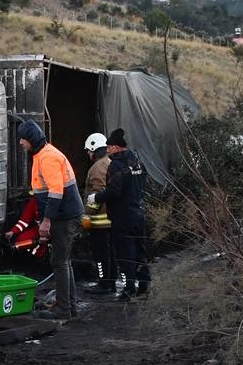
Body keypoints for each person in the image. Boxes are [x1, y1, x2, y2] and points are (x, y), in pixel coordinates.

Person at [17, 119, 84, 321]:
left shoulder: (47, 158)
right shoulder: (42, 155)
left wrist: (47, 221)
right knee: (64, 261)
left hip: (64, 217)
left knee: (60, 262)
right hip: (64, 215)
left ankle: (64, 310)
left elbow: (56, 192)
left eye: (23, 138)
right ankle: (68, 306)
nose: (20, 142)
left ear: (31, 139)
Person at [91, 127, 149, 301]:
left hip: (122, 217)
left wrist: (97, 197)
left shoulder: (116, 165)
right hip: (139, 212)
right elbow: (143, 182)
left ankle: (128, 289)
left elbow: (114, 190)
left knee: (125, 255)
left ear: (116, 147)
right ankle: (144, 286)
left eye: (109, 147)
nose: (107, 150)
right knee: (140, 252)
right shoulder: (137, 161)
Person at [82, 132, 117, 294]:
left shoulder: (96, 168)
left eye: (89, 150)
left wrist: (86, 214)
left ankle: (103, 284)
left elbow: (96, 194)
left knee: (100, 256)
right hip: (111, 220)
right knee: (110, 254)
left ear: (95, 149)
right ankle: (111, 282)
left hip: (99, 222)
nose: (88, 154)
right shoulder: (110, 163)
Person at [4, 192, 49, 259]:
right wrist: (12, 231)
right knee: (21, 240)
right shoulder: (34, 201)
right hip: (39, 230)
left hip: (55, 230)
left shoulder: (54, 202)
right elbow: (24, 221)